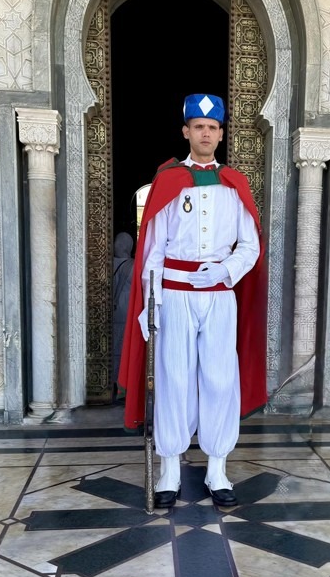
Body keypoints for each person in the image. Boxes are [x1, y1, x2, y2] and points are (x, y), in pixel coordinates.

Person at [118, 93, 267, 508]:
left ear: (220, 134)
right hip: (174, 295)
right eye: (198, 127)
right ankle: (169, 471)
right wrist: (152, 302)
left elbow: (250, 245)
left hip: (219, 296)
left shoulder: (234, 184)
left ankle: (218, 470)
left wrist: (227, 270)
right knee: (173, 378)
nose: (206, 133)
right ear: (186, 131)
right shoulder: (167, 181)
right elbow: (153, 249)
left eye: (213, 127)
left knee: (220, 378)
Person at [112, 232, 135, 386]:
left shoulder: (105, 262)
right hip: (125, 310)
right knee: (122, 348)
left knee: (112, 346)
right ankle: (121, 384)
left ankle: (110, 383)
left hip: (109, 310)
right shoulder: (133, 266)